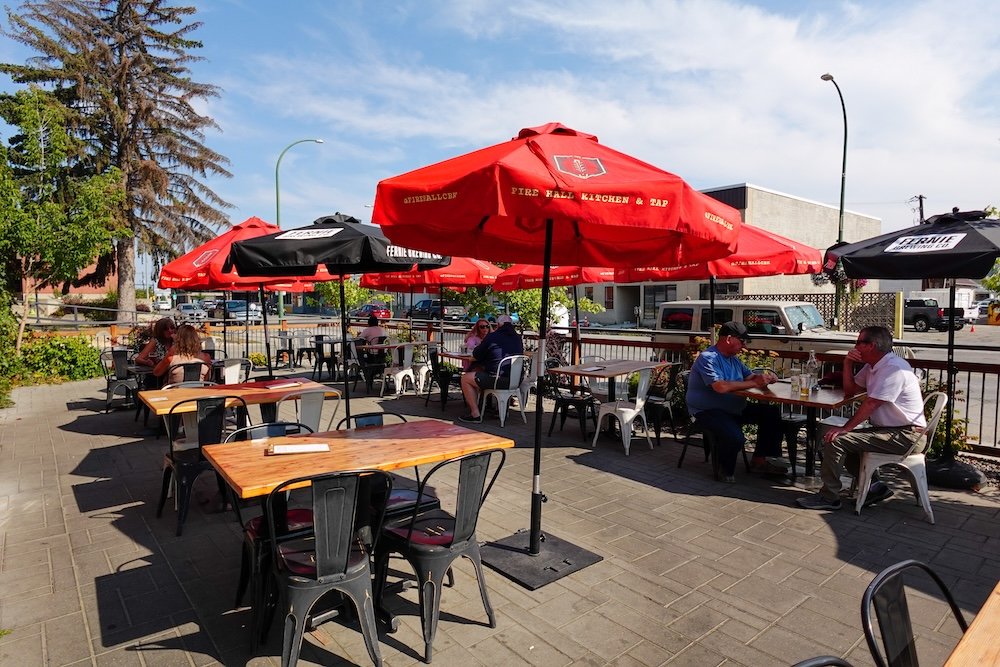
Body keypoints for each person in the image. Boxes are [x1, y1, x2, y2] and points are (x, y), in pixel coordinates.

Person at [797, 326, 927, 511]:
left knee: (836, 440)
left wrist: (845, 428)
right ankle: (875, 487)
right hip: (890, 430)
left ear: (871, 345)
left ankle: (829, 498)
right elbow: (851, 391)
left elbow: (872, 404)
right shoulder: (873, 366)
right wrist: (847, 363)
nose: (855, 346)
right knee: (841, 437)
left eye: (858, 342)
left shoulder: (893, 369)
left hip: (907, 435)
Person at [686, 321, 787, 482]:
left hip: (734, 408)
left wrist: (765, 379)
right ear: (729, 339)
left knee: (771, 413)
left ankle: (760, 460)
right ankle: (725, 470)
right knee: (735, 437)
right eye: (742, 341)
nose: (744, 345)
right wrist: (755, 383)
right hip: (707, 411)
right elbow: (720, 386)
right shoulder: (708, 358)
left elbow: (750, 377)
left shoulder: (734, 360)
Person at [459, 314, 524, 422]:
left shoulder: (493, 337)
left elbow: (476, 354)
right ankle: (497, 408)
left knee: (465, 378)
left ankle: (475, 414)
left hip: (497, 380)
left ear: (498, 325)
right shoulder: (517, 338)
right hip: (516, 381)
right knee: (482, 372)